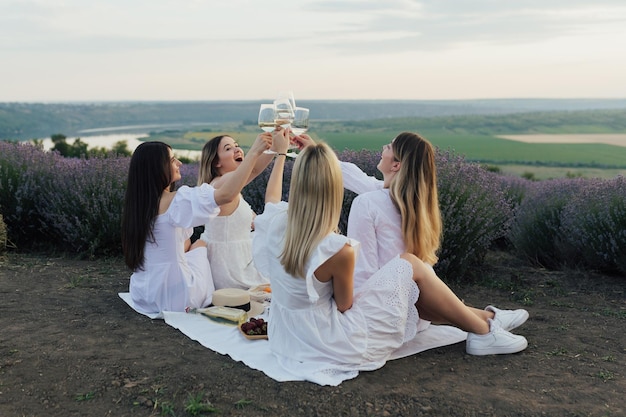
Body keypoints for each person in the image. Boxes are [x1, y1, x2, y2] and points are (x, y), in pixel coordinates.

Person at [289, 132, 529, 358]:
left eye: (389, 146)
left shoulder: (368, 203)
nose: (383, 148)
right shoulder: (413, 203)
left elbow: (363, 271)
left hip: (384, 311)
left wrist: (347, 313)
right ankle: (489, 317)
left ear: (396, 165)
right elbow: (361, 181)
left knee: (409, 265)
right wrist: (319, 153)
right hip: (414, 311)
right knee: (412, 269)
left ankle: (484, 332)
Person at [121, 135, 271, 315]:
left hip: (144, 294)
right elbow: (226, 194)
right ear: (157, 168)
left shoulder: (138, 206)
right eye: (172, 160)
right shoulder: (176, 201)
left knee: (190, 246)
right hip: (177, 296)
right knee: (201, 244)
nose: (179, 163)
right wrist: (255, 151)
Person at [196, 133, 278, 290]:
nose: (237, 149)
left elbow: (253, 170)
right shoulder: (220, 183)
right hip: (231, 270)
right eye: (228, 148)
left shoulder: (229, 185)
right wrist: (258, 150)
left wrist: (275, 144)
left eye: (236, 145)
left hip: (236, 260)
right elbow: (253, 169)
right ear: (216, 162)